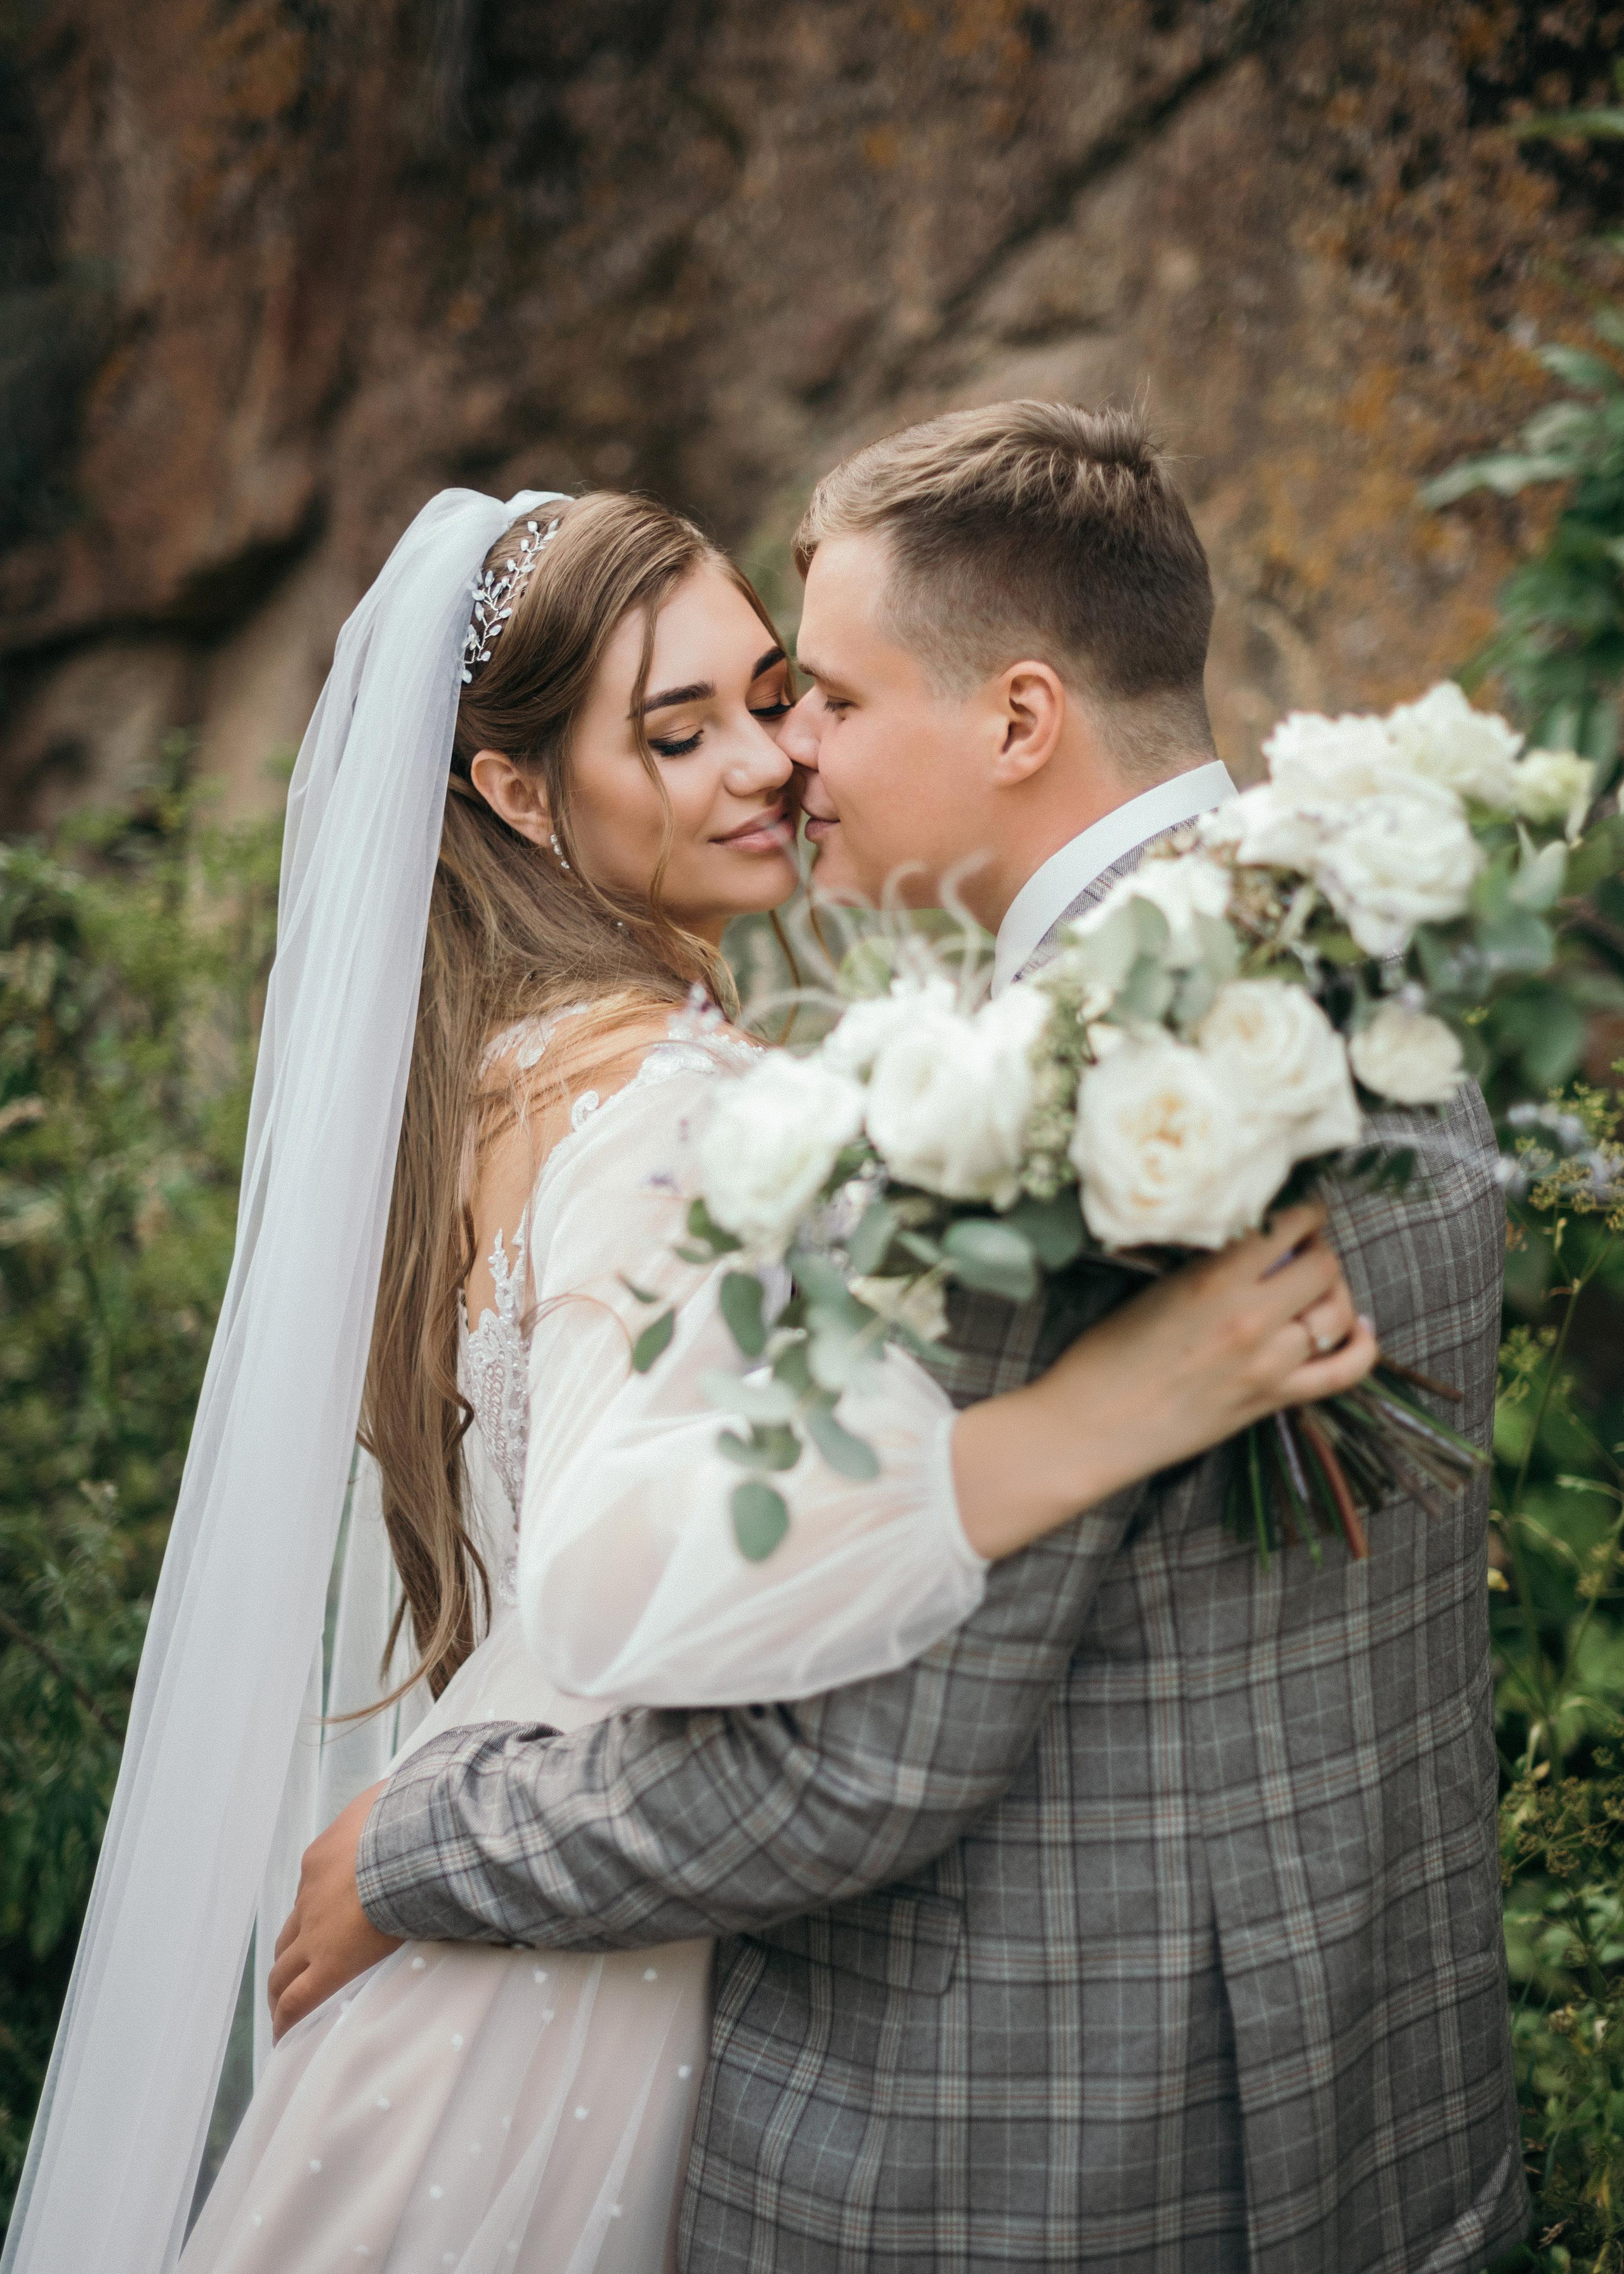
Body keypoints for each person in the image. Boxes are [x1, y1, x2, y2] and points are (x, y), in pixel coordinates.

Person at [3, 470, 1374, 2274]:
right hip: (581, 1999)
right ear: (510, 788)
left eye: (778, 696)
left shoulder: (507, 1066)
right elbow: (629, 1585)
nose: (771, 766)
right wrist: (1083, 1424)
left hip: (536, 1961)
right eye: (680, 731)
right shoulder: (669, 1108)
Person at [285, 405, 1526, 2273]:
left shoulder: (1059, 1128)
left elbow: (838, 1775)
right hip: (1392, 2119)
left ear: (1019, 719)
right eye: (707, 722)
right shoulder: (1360, 959)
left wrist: (411, 1848)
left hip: (1031, 2163)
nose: (791, 760)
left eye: (823, 699)